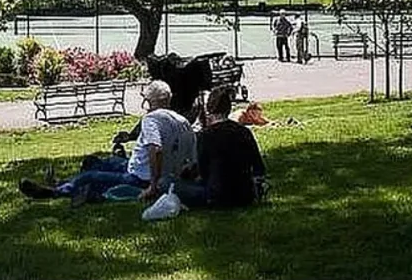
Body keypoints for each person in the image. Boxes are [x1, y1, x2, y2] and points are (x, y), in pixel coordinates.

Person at [19, 80, 195, 206]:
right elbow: (192, 160)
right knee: (93, 161)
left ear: (150, 100)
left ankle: (55, 192)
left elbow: (155, 149)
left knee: (91, 175)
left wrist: (153, 186)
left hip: (140, 178)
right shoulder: (183, 122)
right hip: (139, 168)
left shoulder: (151, 119)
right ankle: (69, 186)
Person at [173, 86, 268, 210]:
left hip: (217, 196)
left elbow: (203, 172)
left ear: (209, 109)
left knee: (166, 183)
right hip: (245, 195)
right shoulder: (244, 132)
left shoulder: (205, 135)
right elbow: (258, 166)